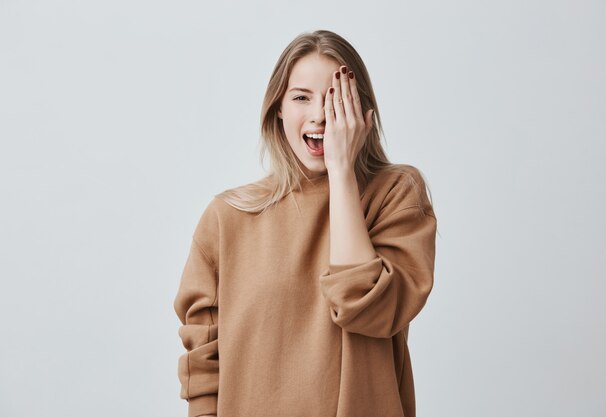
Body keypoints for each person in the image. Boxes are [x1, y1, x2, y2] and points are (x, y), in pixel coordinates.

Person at [173, 29, 437, 417]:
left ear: (361, 112)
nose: (318, 115)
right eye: (301, 97)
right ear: (278, 108)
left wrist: (342, 172)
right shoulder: (228, 217)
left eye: (335, 98)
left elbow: (367, 308)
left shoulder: (395, 194)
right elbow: (204, 363)